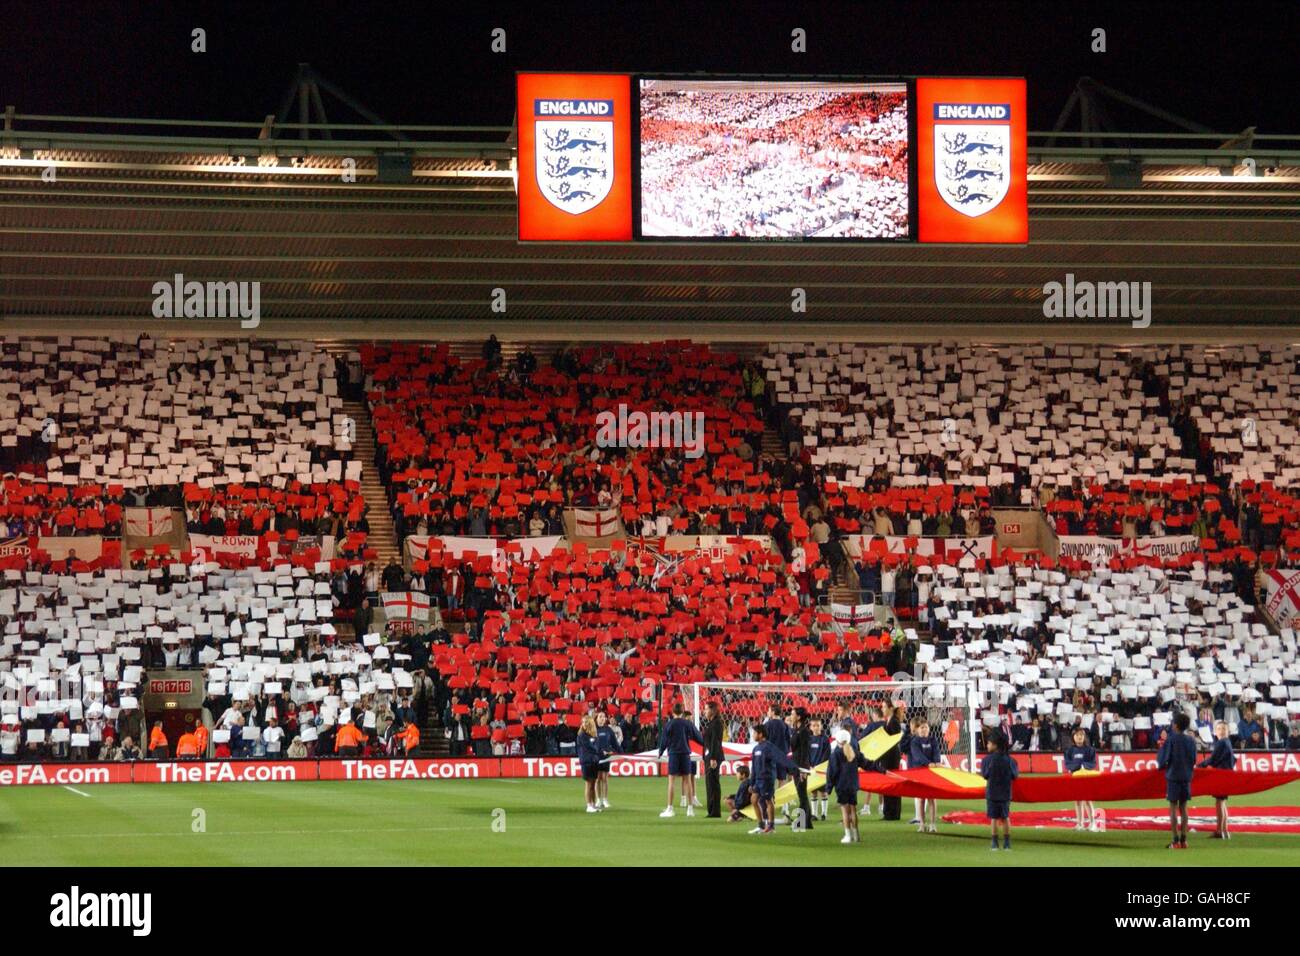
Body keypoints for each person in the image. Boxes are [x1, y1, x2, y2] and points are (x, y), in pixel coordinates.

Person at [1157, 711, 1198, 850]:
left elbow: (1164, 758)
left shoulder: (1171, 740)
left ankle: (1175, 840)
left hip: (1173, 776)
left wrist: (1161, 766)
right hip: (1186, 776)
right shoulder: (1191, 740)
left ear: (1175, 725)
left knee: (1173, 807)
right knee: (1184, 807)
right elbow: (1194, 759)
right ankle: (1184, 839)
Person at [748, 723, 795, 835]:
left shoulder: (769, 747)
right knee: (753, 800)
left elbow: (780, 759)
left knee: (769, 801)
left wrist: (794, 768)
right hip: (758, 779)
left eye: (754, 733)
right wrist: (751, 782)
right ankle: (761, 825)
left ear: (761, 734)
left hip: (767, 779)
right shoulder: (756, 748)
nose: (753, 735)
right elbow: (754, 767)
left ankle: (771, 826)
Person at [657, 702, 703, 818]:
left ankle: (670, 808)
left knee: (671, 782)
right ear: (683, 712)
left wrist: (660, 751)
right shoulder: (687, 723)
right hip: (685, 754)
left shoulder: (669, 724)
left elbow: (664, 740)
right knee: (688, 781)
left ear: (672, 712)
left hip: (673, 754)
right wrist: (705, 744)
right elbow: (697, 737)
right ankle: (690, 809)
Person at [825, 727, 870, 843]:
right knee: (853, 810)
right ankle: (856, 835)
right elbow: (867, 763)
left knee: (845, 811)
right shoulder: (854, 752)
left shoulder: (835, 754)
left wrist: (828, 788)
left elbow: (832, 773)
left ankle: (848, 836)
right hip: (853, 785)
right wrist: (881, 769)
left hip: (842, 786)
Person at [981, 730, 1019, 851]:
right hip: (1005, 792)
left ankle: (994, 842)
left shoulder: (987, 760)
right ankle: (1007, 843)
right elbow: (1015, 776)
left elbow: (985, 775)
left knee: (993, 817)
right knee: (1005, 817)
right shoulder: (1011, 760)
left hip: (992, 793)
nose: (987, 745)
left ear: (995, 744)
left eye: (988, 743)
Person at [1197, 720, 1235, 840]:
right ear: (1215, 731)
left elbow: (1213, 759)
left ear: (1228, 731)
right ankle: (1224, 830)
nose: (1221, 731)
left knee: (1219, 802)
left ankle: (1220, 830)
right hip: (1226, 775)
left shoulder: (1221, 743)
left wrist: (1200, 765)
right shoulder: (1227, 742)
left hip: (1221, 775)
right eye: (1219, 729)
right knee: (1222, 802)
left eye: (1223, 729)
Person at [1063, 726, 1098, 831]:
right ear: (1073, 737)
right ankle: (1080, 823)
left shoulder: (1090, 750)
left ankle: (1093, 823)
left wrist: (1084, 766)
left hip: (1087, 778)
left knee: (1087, 800)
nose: (1079, 737)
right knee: (1077, 800)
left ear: (1084, 737)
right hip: (1075, 777)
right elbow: (1068, 764)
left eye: (1081, 735)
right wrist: (1078, 766)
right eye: (1077, 735)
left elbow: (1093, 763)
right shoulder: (1069, 751)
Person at [908, 716, 939, 833]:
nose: (924, 729)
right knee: (921, 799)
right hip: (920, 772)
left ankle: (932, 824)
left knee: (932, 798)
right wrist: (928, 763)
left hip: (931, 772)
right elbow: (917, 756)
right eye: (922, 727)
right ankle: (922, 824)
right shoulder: (915, 741)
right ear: (917, 730)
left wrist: (936, 762)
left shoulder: (933, 740)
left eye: (926, 727)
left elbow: (936, 752)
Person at [789, 708, 814, 831]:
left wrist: (804, 770)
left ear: (798, 717)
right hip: (796, 765)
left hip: (800, 767)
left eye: (793, 714)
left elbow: (805, 751)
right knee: (802, 794)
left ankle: (802, 821)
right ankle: (807, 821)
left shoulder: (804, 731)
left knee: (802, 794)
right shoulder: (796, 730)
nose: (791, 715)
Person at [576, 714, 604, 813]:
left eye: (586, 722)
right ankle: (588, 805)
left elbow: (597, 747)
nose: (584, 724)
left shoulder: (594, 735)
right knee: (588, 784)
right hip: (586, 762)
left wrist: (602, 752)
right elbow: (591, 747)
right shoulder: (581, 735)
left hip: (594, 761)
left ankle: (593, 804)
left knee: (593, 784)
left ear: (590, 723)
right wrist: (599, 752)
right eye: (583, 722)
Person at [702, 700, 725, 819]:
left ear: (712, 710)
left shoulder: (716, 724)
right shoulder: (712, 723)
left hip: (713, 758)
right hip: (710, 757)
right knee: (710, 783)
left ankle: (715, 811)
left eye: (706, 709)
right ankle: (712, 810)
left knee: (713, 783)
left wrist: (713, 758)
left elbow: (715, 742)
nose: (704, 711)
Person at [807, 716, 832, 821]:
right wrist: (809, 765)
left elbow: (827, 754)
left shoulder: (825, 740)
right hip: (811, 769)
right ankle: (814, 814)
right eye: (814, 725)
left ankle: (824, 814)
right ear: (810, 727)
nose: (816, 727)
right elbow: (806, 754)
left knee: (823, 792)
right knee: (813, 792)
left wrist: (820, 766)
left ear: (821, 726)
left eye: (818, 725)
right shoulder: (808, 739)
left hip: (821, 770)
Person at [595, 711, 618, 809]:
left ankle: (605, 799)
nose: (602, 718)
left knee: (605, 778)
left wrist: (622, 753)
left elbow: (615, 743)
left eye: (604, 716)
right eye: (600, 716)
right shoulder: (593, 729)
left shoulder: (608, 730)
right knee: (597, 779)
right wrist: (600, 751)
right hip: (596, 757)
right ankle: (598, 800)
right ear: (596, 718)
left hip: (606, 756)